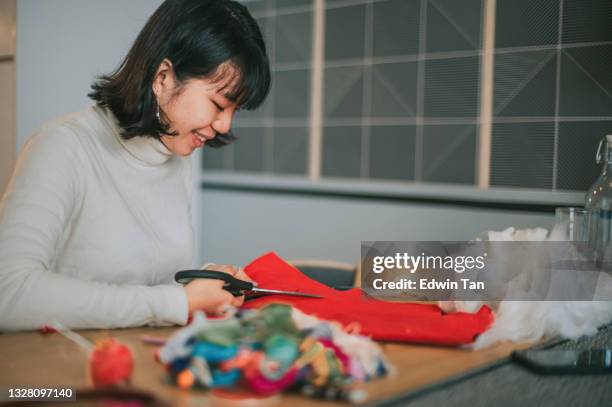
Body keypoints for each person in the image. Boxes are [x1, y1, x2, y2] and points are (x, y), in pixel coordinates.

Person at [0, 0, 270, 330]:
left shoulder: (175, 157)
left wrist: (203, 288)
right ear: (163, 78)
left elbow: (147, 291)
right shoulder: (62, 147)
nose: (225, 125)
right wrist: (179, 301)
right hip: (65, 375)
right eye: (218, 104)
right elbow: (8, 293)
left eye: (234, 110)